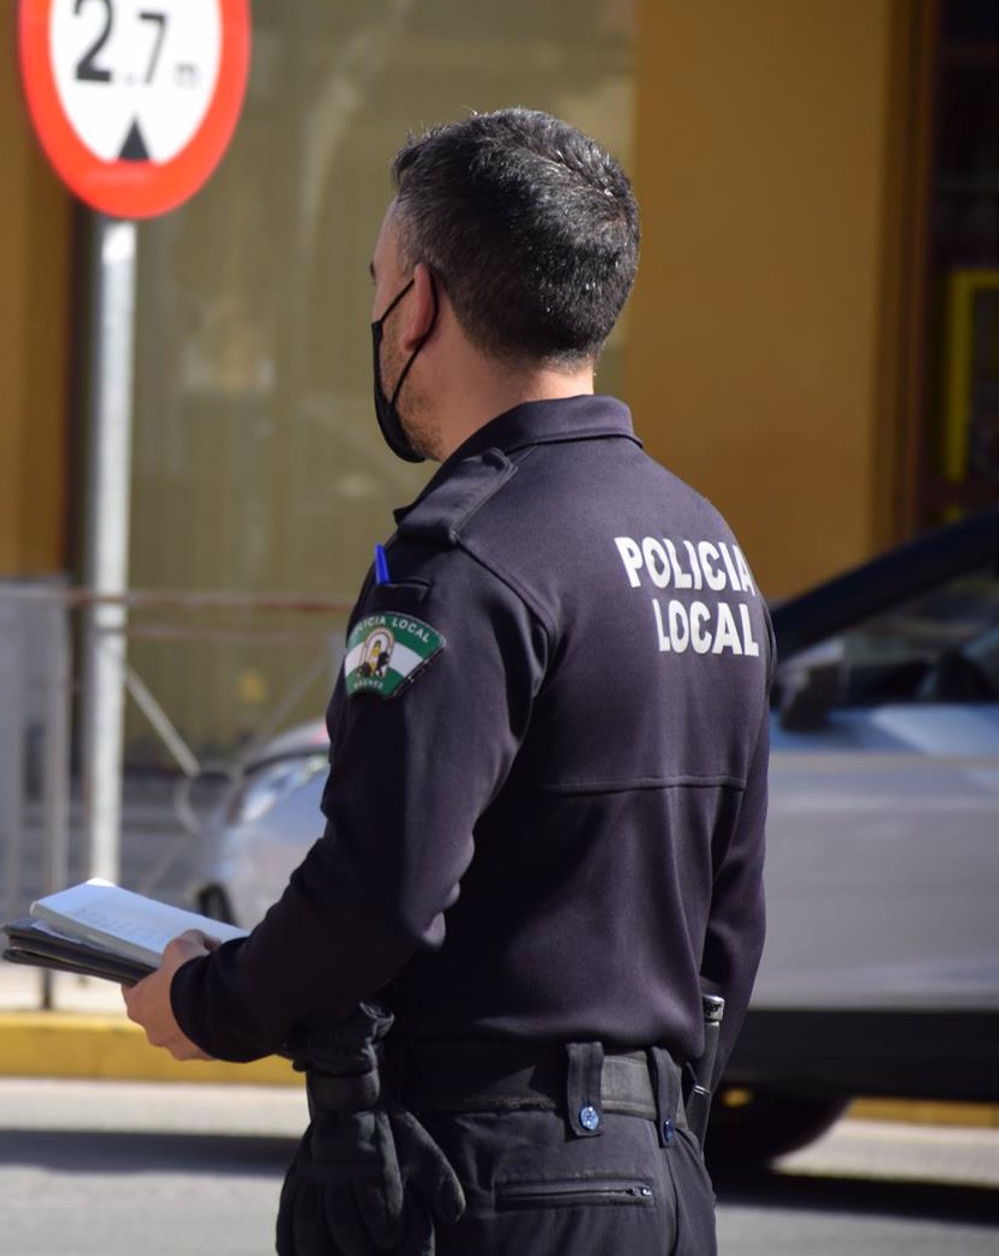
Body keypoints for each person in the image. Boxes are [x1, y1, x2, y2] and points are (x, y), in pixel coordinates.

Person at [121, 108, 769, 1255]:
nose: (374, 319)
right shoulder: (704, 542)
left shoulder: (466, 557)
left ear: (418, 303)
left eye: (376, 286)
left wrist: (206, 1001)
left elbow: (380, 886)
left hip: (481, 1178)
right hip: (659, 1174)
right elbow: (730, 914)